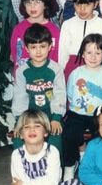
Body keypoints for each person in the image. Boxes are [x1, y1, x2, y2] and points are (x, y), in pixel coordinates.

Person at [4, 110, 82, 185]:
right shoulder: (17, 155)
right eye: (26, 127)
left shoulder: (52, 152)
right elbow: (18, 182)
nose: (32, 130)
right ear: (20, 133)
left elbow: (51, 183)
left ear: (45, 132)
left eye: (37, 126)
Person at [62, 34, 102, 180]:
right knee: (69, 134)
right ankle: (70, 165)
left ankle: (96, 165)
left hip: (99, 114)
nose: (93, 57)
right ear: (82, 54)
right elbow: (70, 94)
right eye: (89, 52)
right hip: (77, 112)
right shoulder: (76, 73)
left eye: (98, 53)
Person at [11, 23, 66, 154]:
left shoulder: (56, 69)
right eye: (33, 47)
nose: (38, 51)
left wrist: (56, 118)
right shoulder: (22, 71)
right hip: (29, 118)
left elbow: (60, 94)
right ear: (26, 48)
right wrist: (20, 121)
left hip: (51, 116)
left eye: (42, 46)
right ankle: (24, 172)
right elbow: (19, 97)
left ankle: (55, 172)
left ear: (50, 47)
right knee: (18, 141)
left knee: (55, 142)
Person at [58, 0, 102, 81]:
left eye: (87, 4)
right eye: (78, 4)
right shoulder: (67, 24)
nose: (82, 9)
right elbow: (62, 54)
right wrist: (60, 75)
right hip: (72, 67)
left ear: (95, 4)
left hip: (97, 67)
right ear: (73, 4)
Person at [10, 0, 60, 75]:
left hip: (47, 79)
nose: (32, 6)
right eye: (28, 2)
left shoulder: (54, 31)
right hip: (24, 78)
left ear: (45, 4)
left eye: (37, 2)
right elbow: (15, 54)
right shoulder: (18, 29)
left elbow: (56, 57)